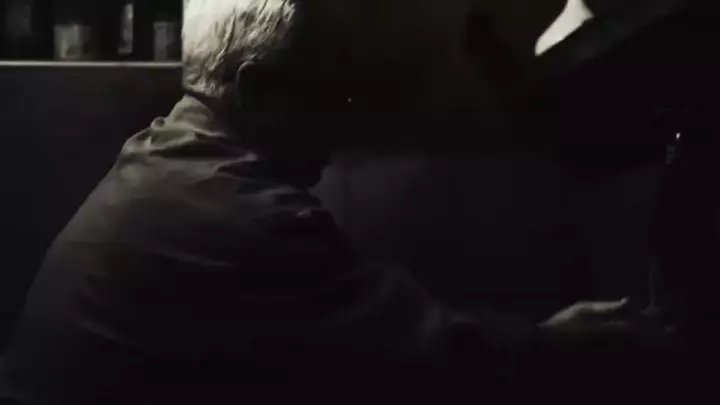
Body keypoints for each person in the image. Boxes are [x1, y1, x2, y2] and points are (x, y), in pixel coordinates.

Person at [0, 1, 670, 403]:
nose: (342, 118)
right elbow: (420, 357)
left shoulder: (167, 151)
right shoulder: (244, 215)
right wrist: (556, 343)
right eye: (325, 92)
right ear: (255, 87)